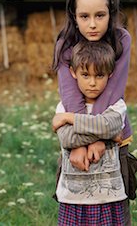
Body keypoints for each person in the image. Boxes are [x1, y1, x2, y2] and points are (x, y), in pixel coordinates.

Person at [52, 0, 137, 225]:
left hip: (111, 130)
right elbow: (70, 97)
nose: (92, 24)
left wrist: (100, 140)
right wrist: (80, 145)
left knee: (111, 202)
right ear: (74, 16)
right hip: (79, 137)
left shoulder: (121, 40)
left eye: (100, 15)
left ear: (111, 14)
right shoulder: (66, 46)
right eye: (84, 17)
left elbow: (113, 91)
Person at [53, 40, 128, 225]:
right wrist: (109, 135)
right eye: (85, 75)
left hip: (108, 196)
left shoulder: (116, 105)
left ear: (110, 75)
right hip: (73, 196)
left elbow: (108, 125)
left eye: (99, 75)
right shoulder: (63, 106)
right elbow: (66, 138)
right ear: (73, 73)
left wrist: (70, 118)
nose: (92, 83)